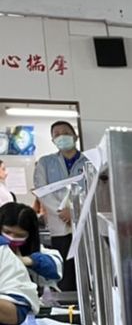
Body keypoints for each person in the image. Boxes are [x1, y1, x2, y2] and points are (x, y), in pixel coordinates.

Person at [32, 120, 88, 291]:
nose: (61, 136)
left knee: (87, 271)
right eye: (57, 134)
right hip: (60, 225)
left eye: (65, 132)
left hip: (85, 225)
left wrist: (76, 211)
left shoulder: (89, 161)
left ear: (75, 136)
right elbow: (42, 191)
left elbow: (95, 190)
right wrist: (62, 211)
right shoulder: (45, 162)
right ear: (53, 140)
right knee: (66, 275)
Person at [0, 202, 63, 291]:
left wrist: (30, 261)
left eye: (20, 235)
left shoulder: (33, 251)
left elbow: (55, 268)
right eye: (7, 232)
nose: (12, 238)